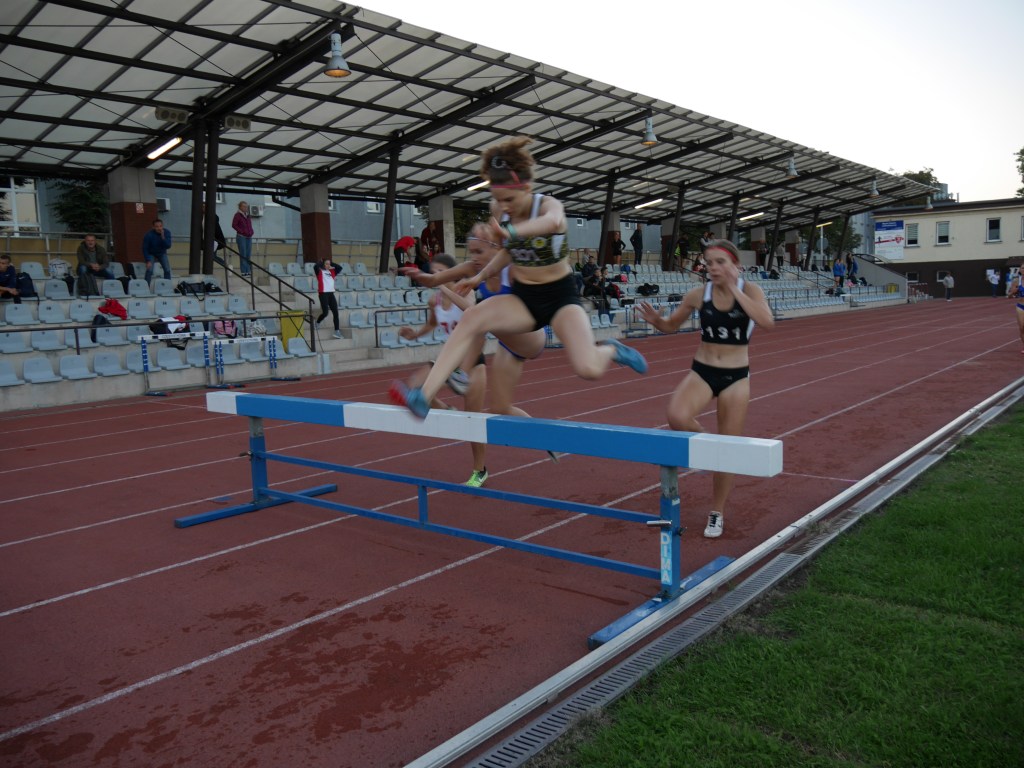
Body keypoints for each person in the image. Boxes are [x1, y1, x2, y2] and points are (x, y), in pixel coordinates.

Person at [389, 136, 647, 419]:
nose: (505, 206)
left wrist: (512, 232)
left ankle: (611, 350)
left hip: (560, 298)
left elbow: (552, 223)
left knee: (588, 369)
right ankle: (424, 396)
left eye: (510, 199)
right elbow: (509, 251)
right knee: (473, 317)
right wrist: (481, 276)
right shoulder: (500, 209)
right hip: (524, 298)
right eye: (499, 200)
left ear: (526, 188)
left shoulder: (547, 206)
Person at [637, 239, 773, 538]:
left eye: (720, 262)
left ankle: (717, 512)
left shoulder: (751, 291)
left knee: (728, 446)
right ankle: (712, 449)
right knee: (677, 416)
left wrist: (735, 289)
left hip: (736, 377)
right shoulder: (699, 294)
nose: (713, 267)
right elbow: (671, 325)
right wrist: (657, 320)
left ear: (736, 265)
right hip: (703, 371)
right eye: (708, 263)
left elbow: (767, 321)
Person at [400, 245, 547, 485]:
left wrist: (444, 287)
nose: (436, 275)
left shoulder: (465, 290)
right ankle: (446, 409)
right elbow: (431, 325)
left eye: (440, 272)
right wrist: (414, 334)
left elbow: (472, 311)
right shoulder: (434, 301)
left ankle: (480, 469)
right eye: (433, 271)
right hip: (450, 361)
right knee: (423, 379)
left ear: (451, 273)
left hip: (472, 362)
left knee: (473, 421)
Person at [313, 255, 342, 339]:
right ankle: (317, 322)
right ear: (323, 264)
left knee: (335, 312)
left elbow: (339, 268)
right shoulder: (319, 272)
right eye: (326, 264)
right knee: (325, 313)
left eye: (329, 264)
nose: (328, 265)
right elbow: (315, 266)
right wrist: (322, 262)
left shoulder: (332, 272)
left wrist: (330, 263)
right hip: (323, 294)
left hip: (331, 294)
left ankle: (337, 331)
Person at [142, 219, 173, 283]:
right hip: (151, 253)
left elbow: (168, 246)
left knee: (167, 269)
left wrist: (163, 237)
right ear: (153, 227)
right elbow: (145, 248)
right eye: (157, 226)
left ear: (162, 226)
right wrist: (148, 260)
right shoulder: (148, 235)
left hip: (162, 253)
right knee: (149, 270)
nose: (159, 228)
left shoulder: (167, 232)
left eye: (160, 226)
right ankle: (146, 286)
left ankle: (167, 285)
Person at [231, 201, 254, 276]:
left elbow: (249, 225)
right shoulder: (237, 215)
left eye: (246, 206)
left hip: (249, 237)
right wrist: (242, 231)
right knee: (243, 254)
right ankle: (244, 271)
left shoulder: (248, 215)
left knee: (248, 254)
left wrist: (251, 231)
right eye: (244, 206)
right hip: (241, 237)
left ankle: (248, 271)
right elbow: (234, 225)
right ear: (240, 207)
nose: (245, 208)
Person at [1009, 270, 1024, 353]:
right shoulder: (1017, 281)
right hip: (1021, 306)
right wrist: (1013, 292)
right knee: (1022, 328)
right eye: (1022, 268)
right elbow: (1010, 296)